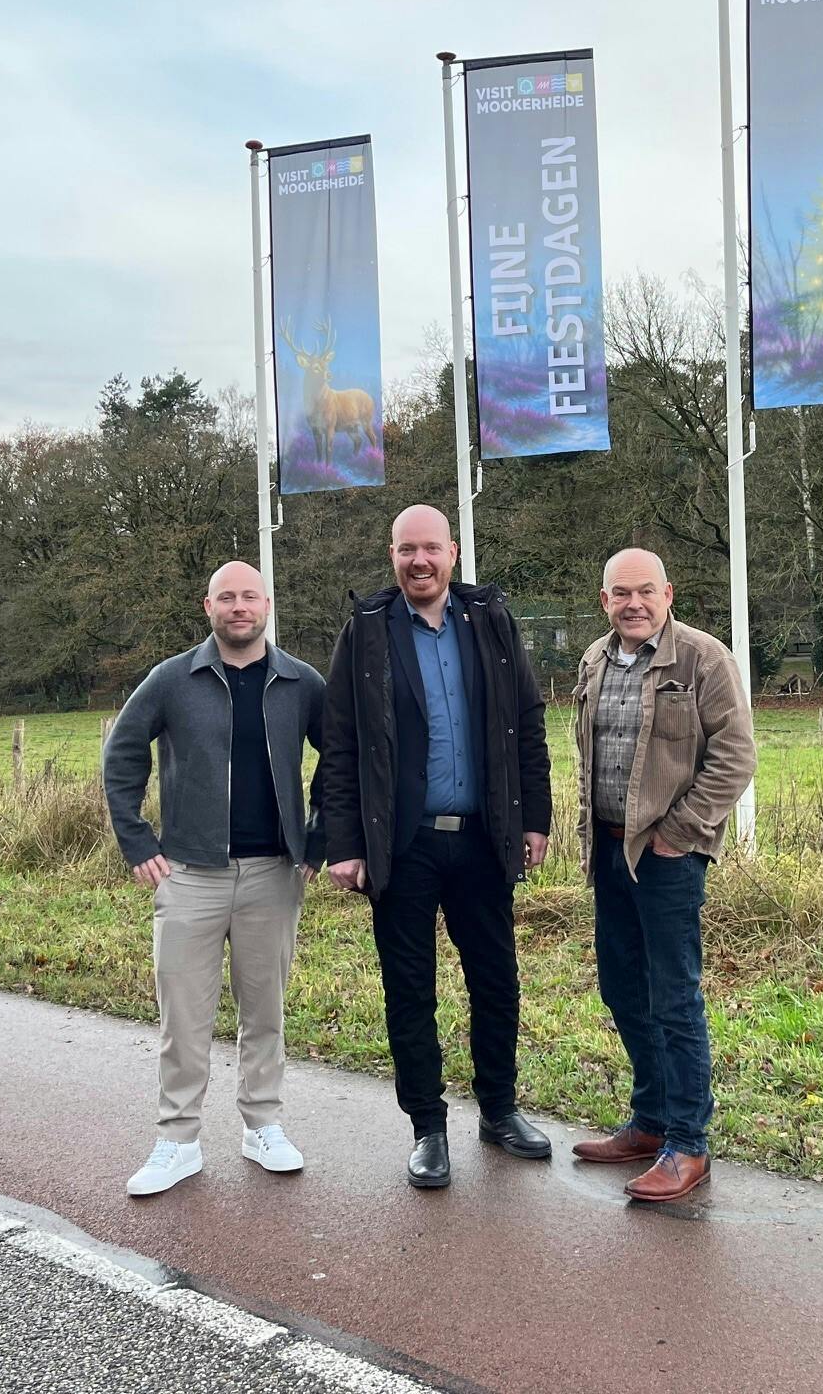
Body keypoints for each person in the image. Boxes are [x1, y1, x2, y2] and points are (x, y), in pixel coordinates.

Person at [317, 505, 553, 1189]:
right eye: (405, 550)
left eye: (431, 549)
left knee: (496, 982)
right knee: (410, 989)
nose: (419, 562)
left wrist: (533, 818)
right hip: (403, 845)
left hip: (482, 840)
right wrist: (344, 843)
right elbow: (341, 745)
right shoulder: (364, 633)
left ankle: (499, 1110)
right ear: (391, 555)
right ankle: (427, 1126)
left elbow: (526, 723)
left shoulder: (492, 623)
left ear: (452, 552)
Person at [103, 561, 323, 1196]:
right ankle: (177, 1141)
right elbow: (122, 753)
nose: (239, 607)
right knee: (184, 1016)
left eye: (249, 596)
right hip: (190, 874)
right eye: (227, 597)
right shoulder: (173, 680)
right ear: (208, 607)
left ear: (267, 604)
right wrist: (137, 838)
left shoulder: (301, 682)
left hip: (273, 875)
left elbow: (340, 758)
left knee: (265, 1012)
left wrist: (320, 835)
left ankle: (263, 1127)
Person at [569, 548, 756, 1202]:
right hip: (609, 854)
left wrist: (680, 834)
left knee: (674, 995)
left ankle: (687, 1142)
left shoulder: (704, 660)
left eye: (645, 592)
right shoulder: (595, 659)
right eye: (620, 593)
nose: (633, 604)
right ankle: (649, 1121)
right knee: (622, 988)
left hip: (668, 857)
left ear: (668, 594)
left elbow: (736, 756)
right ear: (605, 601)